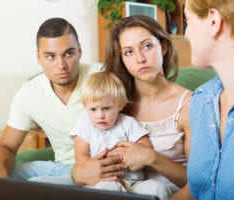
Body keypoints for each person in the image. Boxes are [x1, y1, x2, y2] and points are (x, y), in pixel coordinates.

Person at [0, 17, 102, 200]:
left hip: (98, 165)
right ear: (38, 57)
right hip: (60, 167)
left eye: (69, 53)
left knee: (36, 189)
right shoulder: (29, 93)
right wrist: (0, 175)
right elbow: (7, 146)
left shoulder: (102, 76)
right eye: (50, 56)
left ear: (80, 51)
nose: (61, 65)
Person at [71, 15, 192, 198]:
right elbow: (81, 164)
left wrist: (151, 157)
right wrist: (79, 173)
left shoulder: (189, 104)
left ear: (164, 47)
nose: (140, 59)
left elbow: (202, 182)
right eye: (129, 52)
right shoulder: (113, 104)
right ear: (121, 59)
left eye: (147, 46)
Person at [71, 71, 172, 200]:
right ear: (86, 106)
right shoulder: (84, 124)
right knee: (109, 188)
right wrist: (94, 170)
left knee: (157, 188)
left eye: (106, 108)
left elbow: (146, 147)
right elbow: (81, 157)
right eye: (93, 109)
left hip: (134, 182)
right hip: (102, 181)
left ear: (120, 105)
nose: (100, 115)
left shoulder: (128, 123)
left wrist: (127, 154)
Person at [171, 0, 234, 199]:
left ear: (213, 21)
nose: (187, 33)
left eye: (188, 20)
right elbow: (198, 190)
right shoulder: (201, 99)